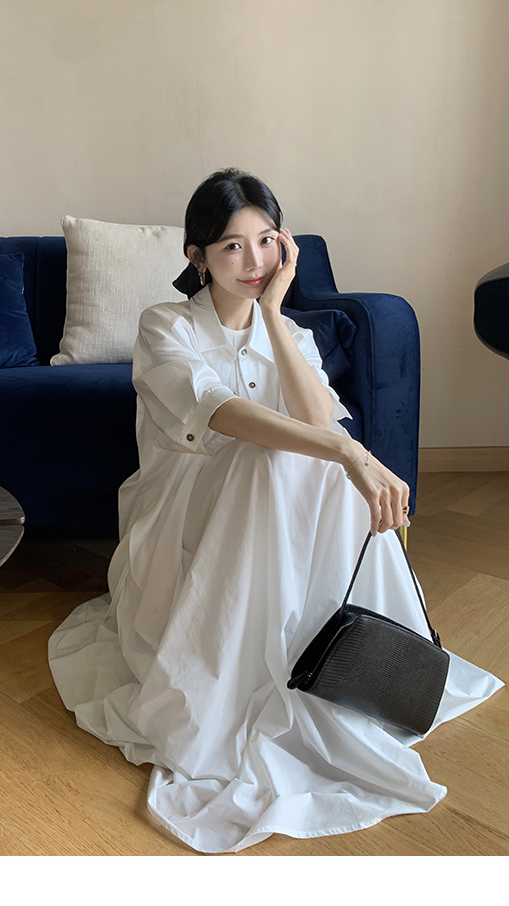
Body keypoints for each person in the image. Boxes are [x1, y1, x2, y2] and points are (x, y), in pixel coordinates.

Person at [47, 168, 503, 855]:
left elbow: (319, 419)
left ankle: (337, 644)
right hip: (180, 513)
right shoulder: (165, 325)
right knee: (279, 456)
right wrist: (348, 451)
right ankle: (240, 673)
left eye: (266, 241)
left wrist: (273, 317)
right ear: (198, 256)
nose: (253, 261)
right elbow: (221, 414)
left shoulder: (287, 330)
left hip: (275, 506)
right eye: (231, 246)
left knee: (312, 455)